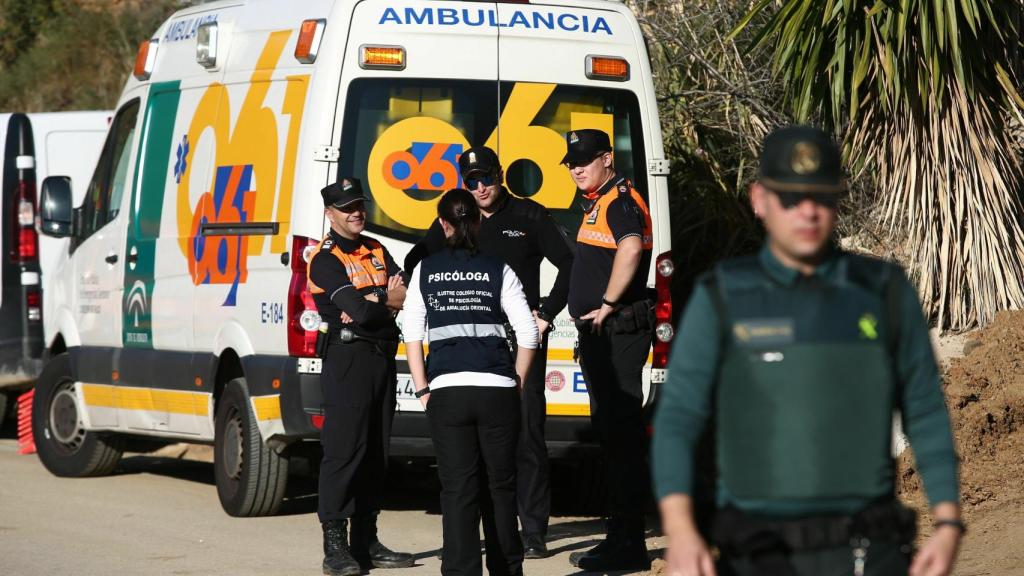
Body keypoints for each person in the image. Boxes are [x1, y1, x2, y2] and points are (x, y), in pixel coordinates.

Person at [653, 125, 962, 576]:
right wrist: (681, 531)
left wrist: (948, 520)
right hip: (758, 552)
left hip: (867, 551)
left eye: (822, 197)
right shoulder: (722, 297)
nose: (808, 213)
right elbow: (678, 418)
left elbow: (926, 408)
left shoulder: (885, 292)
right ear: (759, 199)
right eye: (791, 198)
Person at [405, 145, 573, 558]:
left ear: (501, 175)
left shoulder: (529, 215)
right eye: (472, 181)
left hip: (521, 344)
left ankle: (532, 529)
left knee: (528, 435)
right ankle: (484, 532)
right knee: (473, 451)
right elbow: (415, 261)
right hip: (469, 354)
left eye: (487, 178)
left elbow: (569, 263)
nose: (480, 187)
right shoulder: (459, 219)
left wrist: (547, 314)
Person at [404, 188, 540, 576]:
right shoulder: (499, 268)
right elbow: (528, 334)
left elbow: (412, 332)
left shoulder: (425, 271)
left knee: (458, 490)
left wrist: (423, 388)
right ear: (478, 223)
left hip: (446, 393)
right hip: (497, 390)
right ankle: (507, 570)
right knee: (500, 487)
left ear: (443, 224)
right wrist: (516, 381)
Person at [307, 178, 415, 576]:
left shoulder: (376, 248)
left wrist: (375, 302)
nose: (356, 212)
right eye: (347, 207)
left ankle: (365, 540)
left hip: (381, 356)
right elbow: (364, 311)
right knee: (344, 451)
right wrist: (382, 302)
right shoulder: (325, 258)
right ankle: (334, 546)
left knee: (375, 452)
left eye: (359, 205)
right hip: (348, 358)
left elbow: (405, 293)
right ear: (329, 213)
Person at [563, 128, 654, 571]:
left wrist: (607, 303)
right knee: (612, 437)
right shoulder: (599, 202)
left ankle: (630, 544)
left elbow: (632, 248)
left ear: (608, 160)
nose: (577, 167)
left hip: (618, 329)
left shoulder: (620, 200)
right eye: (572, 162)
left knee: (621, 436)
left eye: (585, 159)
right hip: (605, 334)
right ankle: (619, 535)